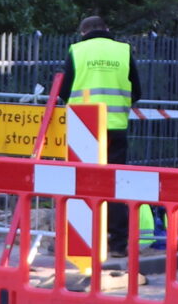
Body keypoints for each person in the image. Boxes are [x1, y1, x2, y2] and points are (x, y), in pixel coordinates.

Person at [58, 15, 153, 259]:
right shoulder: (122, 51)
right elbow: (137, 91)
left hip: (84, 128)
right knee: (115, 182)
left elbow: (64, 90)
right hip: (115, 126)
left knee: (82, 182)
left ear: (83, 32)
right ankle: (118, 243)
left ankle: (85, 242)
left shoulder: (77, 50)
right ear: (106, 29)